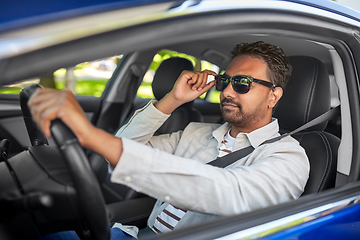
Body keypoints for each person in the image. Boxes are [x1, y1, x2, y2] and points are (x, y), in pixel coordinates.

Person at [29, 41, 309, 239]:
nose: (227, 92)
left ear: (273, 95)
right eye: (225, 81)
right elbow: (126, 146)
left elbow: (229, 193)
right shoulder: (196, 132)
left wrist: (90, 135)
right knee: (28, 224)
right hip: (138, 234)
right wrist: (172, 100)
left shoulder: (288, 157)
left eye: (243, 83)